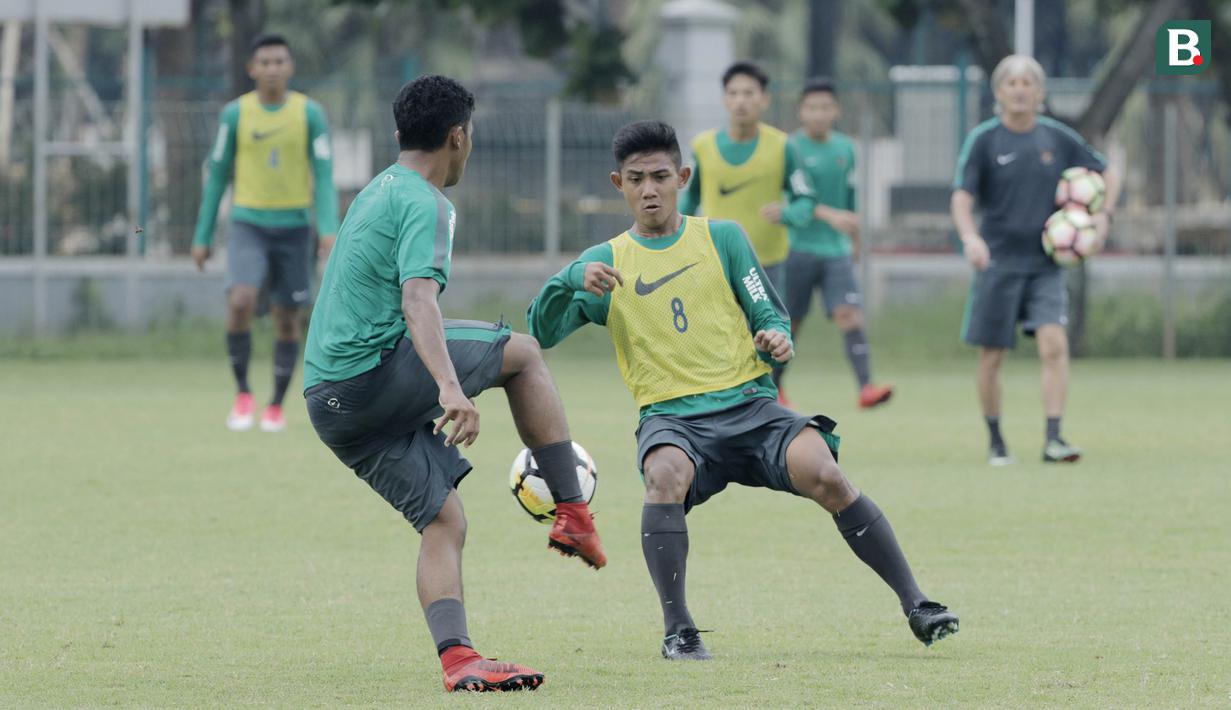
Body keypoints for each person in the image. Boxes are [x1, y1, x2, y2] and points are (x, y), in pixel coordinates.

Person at [528, 120, 957, 661]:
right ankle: (679, 631)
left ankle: (917, 604)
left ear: (683, 176)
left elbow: (768, 310)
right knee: (663, 476)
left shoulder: (722, 238)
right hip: (672, 419)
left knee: (825, 470)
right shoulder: (605, 262)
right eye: (636, 179)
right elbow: (540, 331)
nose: (650, 189)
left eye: (661, 176)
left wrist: (777, 335)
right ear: (619, 184)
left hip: (753, 408)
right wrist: (570, 278)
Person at [302, 75, 606, 693]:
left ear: (398, 135)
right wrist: (448, 386)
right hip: (370, 376)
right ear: (458, 137)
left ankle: (459, 660)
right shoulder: (427, 201)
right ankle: (573, 511)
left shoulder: (376, 190)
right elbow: (419, 301)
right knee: (522, 353)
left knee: (444, 520)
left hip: (328, 404)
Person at [950, 55, 1120, 465]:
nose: (1020, 89)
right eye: (1012, 83)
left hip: (1045, 264)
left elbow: (1107, 172)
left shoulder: (1057, 138)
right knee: (992, 356)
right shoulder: (985, 140)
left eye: (1028, 83)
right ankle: (996, 441)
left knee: (1053, 344)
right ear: (999, 92)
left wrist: (1102, 218)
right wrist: (971, 238)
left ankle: (1054, 438)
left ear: (1041, 93)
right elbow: (961, 197)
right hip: (998, 264)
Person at [191, 33, 339, 433]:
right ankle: (242, 395)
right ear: (252, 69)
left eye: (280, 62)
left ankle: (275, 405)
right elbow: (218, 174)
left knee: (287, 317)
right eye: (265, 62)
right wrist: (202, 235)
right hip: (247, 225)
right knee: (241, 299)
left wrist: (328, 229)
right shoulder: (235, 115)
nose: (273, 69)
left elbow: (324, 176)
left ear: (289, 68)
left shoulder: (310, 114)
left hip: (294, 228)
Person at [678, 61, 816, 405]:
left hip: (766, 265)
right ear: (724, 99)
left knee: (768, 336)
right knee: (715, 337)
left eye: (749, 93)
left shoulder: (783, 146)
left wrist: (788, 213)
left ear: (764, 100)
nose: (741, 100)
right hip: (712, 266)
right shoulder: (703, 146)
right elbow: (687, 203)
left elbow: (805, 198)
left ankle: (767, 399)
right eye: (734, 93)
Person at [778, 78, 893, 409]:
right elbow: (791, 201)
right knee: (790, 323)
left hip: (836, 252)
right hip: (797, 248)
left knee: (850, 316)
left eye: (825, 107)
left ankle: (866, 387)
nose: (818, 114)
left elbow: (850, 202)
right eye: (812, 108)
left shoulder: (845, 149)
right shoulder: (790, 149)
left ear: (836, 110)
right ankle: (773, 388)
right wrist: (829, 216)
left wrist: (854, 238)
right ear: (801, 111)